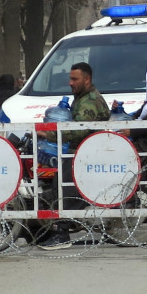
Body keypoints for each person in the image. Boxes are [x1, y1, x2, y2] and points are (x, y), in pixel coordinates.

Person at [36, 62, 110, 250]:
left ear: (87, 79)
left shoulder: (88, 102)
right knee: (60, 184)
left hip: (85, 153)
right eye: (70, 79)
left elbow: (80, 130)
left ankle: (62, 234)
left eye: (75, 79)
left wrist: (50, 135)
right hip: (83, 151)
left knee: (65, 188)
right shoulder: (82, 98)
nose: (70, 83)